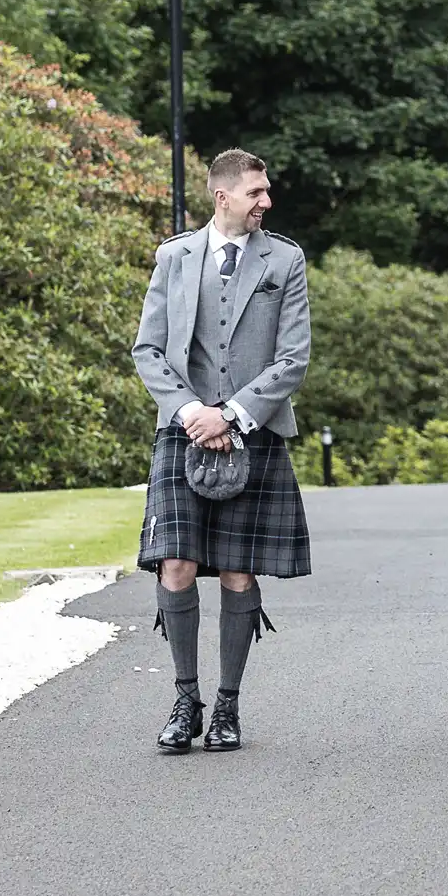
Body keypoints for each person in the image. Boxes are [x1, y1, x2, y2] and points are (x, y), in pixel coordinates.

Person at [132, 148, 312, 753]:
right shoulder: (174, 257)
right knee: (176, 564)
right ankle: (186, 701)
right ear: (223, 195)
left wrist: (231, 415)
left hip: (252, 432)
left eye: (267, 192)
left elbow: (293, 358)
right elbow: (147, 351)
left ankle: (228, 707)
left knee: (238, 569)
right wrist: (192, 414)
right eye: (256, 192)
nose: (266, 201)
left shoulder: (285, 260)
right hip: (180, 429)